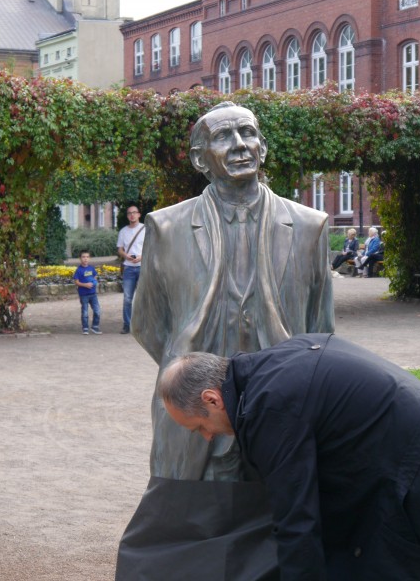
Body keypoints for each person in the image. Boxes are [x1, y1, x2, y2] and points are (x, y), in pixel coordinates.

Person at [117, 102, 333, 580]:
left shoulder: (310, 226)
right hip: (197, 409)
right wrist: (188, 375)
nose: (239, 146)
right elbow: (148, 323)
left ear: (263, 147)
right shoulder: (166, 226)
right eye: (223, 137)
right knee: (185, 520)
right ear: (201, 158)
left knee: (278, 514)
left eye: (248, 133)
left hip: (279, 404)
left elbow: (320, 329)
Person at [159, 333, 420, 581]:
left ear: (212, 398)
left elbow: (297, 520)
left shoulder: (269, 407)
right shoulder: (281, 359)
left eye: (199, 427)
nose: (207, 437)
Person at [116, 204, 144, 334]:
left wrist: (141, 257)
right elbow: (120, 249)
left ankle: (143, 325)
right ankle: (127, 324)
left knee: (143, 298)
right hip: (128, 268)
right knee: (127, 298)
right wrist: (126, 255)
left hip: (143, 267)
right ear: (127, 216)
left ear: (139, 214)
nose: (132, 215)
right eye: (129, 213)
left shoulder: (145, 229)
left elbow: (151, 246)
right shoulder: (123, 231)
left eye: (134, 212)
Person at [72, 250, 101, 335]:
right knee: (85, 312)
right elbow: (76, 282)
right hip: (84, 294)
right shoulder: (78, 270)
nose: (85, 259)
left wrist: (94, 282)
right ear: (80, 258)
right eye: (83, 257)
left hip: (93, 294)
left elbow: (95, 276)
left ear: (89, 258)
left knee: (97, 311)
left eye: (87, 257)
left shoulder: (91, 268)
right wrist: (85, 285)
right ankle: (85, 328)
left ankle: (95, 326)